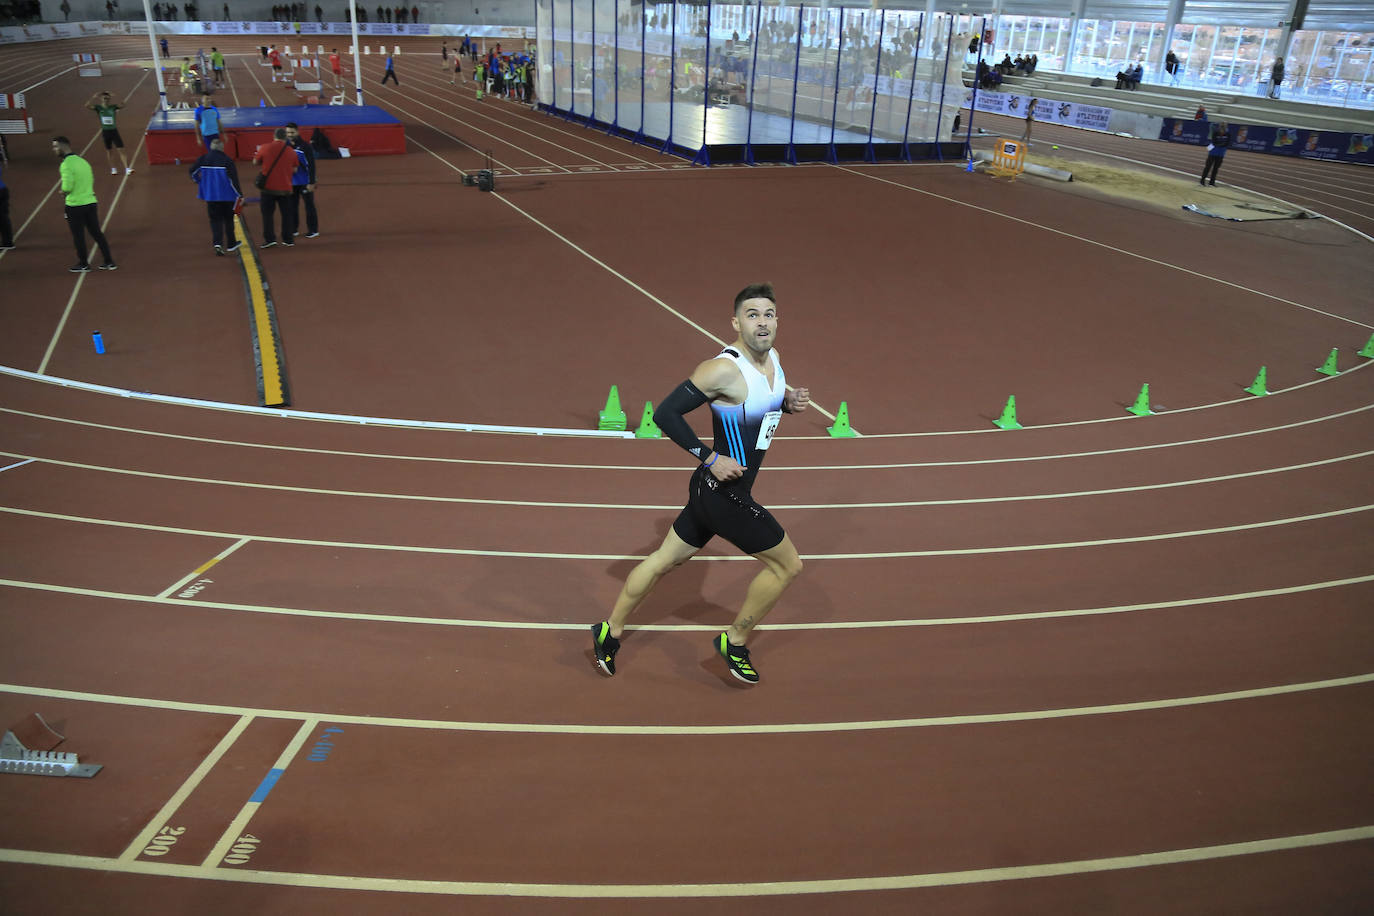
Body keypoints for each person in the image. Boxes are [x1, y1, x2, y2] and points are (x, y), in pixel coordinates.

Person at [590, 283, 809, 684]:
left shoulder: (773, 359)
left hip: (711, 492)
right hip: (723, 493)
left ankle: (609, 631)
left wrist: (786, 402)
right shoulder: (722, 368)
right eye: (752, 315)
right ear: (736, 322)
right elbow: (665, 414)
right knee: (787, 566)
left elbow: (758, 405)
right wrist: (709, 457)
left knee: (665, 560)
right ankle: (735, 640)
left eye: (769, 314)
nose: (762, 322)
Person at [52, 136, 117, 272]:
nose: (54, 150)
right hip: (90, 202)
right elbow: (91, 179)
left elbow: (67, 186)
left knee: (78, 236)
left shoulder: (65, 164)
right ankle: (109, 261)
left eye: (55, 147)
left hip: (75, 205)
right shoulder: (83, 161)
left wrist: (63, 192)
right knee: (97, 233)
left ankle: (83, 263)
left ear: (63, 147)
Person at [189, 136, 242, 254]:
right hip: (227, 197)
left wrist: (200, 183)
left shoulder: (202, 159)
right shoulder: (228, 161)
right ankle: (231, 244)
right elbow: (234, 181)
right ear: (222, 148)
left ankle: (217, 243)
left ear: (211, 148)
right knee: (228, 220)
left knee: (215, 220)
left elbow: (192, 172)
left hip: (211, 196)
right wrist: (240, 195)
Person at [253, 127, 297, 247]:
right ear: (285, 137)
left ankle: (270, 239)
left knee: (267, 215)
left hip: (267, 188)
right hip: (285, 188)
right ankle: (288, 239)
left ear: (274, 136)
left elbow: (255, 162)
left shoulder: (264, 147)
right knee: (287, 215)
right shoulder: (291, 151)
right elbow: (295, 169)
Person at [284, 121, 319, 239]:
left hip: (305, 182)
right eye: (288, 132)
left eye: (292, 132)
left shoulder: (305, 146)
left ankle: (313, 230)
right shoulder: (286, 146)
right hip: (292, 183)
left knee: (309, 206)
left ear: (297, 132)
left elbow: (311, 165)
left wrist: (311, 182)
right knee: (292, 206)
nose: (289, 134)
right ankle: (294, 229)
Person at [86, 92, 133, 175]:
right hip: (105, 132)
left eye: (107, 98)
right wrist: (93, 97)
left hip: (114, 131)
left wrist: (118, 95)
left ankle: (127, 168)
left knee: (121, 149)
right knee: (109, 151)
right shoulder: (98, 108)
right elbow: (86, 105)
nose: (106, 100)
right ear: (101, 99)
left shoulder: (113, 107)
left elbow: (123, 104)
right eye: (104, 98)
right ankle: (113, 169)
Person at [1200, 121, 1228, 186]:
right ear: (1219, 126)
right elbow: (1214, 141)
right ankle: (1202, 180)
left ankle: (1212, 182)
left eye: (1224, 125)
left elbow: (1228, 142)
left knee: (1216, 168)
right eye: (1222, 125)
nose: (1223, 126)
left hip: (1221, 153)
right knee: (1208, 167)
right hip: (1213, 153)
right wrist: (1221, 144)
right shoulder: (1215, 132)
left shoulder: (1227, 133)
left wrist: (1221, 145)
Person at [0, 158, 14, 251]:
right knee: (3, 217)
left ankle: (8, 242)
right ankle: (8, 242)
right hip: (3, 190)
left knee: (2, 218)